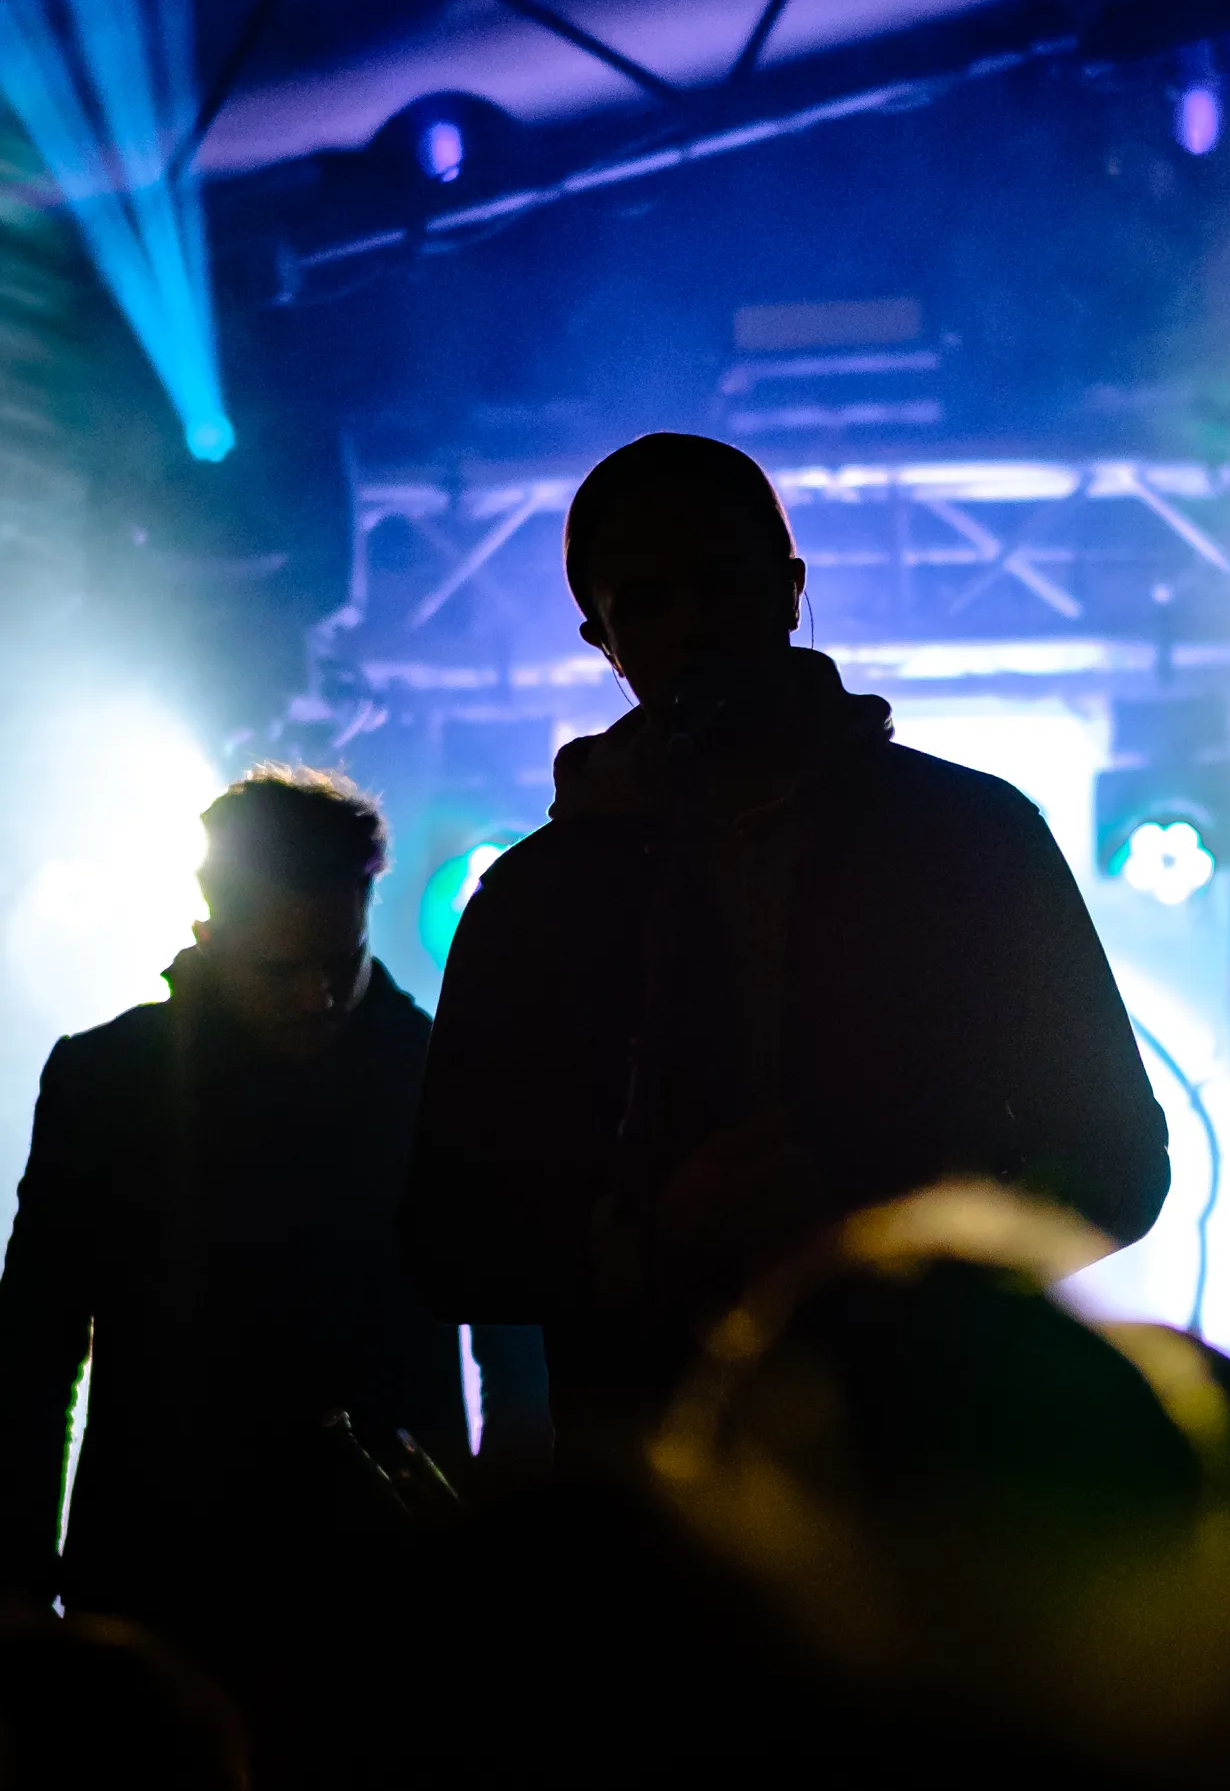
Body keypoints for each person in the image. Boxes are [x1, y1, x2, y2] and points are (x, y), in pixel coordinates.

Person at [403, 434, 1169, 1465]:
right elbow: (444, 1239)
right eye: (650, 600)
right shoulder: (533, 900)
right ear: (601, 636)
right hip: (669, 1507)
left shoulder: (972, 838)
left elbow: (1118, 1163)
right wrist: (652, 1236)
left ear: (790, 587)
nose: (694, 627)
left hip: (922, 1471)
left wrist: (874, 1227)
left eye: (721, 584)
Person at [0, 767, 467, 1766]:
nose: (318, 995)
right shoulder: (106, 1080)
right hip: (191, 1574)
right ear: (209, 932)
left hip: (359, 1577)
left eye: (339, 962)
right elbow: (32, 1352)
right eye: (282, 969)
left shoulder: (433, 1075)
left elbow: (517, 1329)